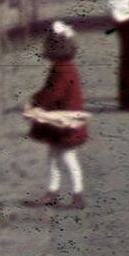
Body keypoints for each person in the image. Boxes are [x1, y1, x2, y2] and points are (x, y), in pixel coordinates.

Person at [24, 20, 90, 210]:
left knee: (67, 157)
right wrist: (37, 99)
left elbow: (53, 93)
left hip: (66, 123)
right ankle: (52, 192)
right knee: (54, 156)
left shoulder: (62, 69)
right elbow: (49, 90)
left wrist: (36, 104)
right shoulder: (64, 66)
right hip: (62, 123)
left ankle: (78, 194)